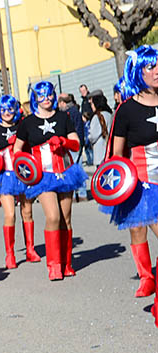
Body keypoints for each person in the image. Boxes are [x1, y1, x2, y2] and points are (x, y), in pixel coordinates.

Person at [99, 46, 158, 325]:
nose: (157, 71)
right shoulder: (126, 110)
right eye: (150, 67)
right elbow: (115, 156)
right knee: (137, 230)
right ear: (138, 71)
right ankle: (147, 278)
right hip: (144, 186)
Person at [13, 81, 86, 280]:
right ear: (35, 98)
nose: (47, 99)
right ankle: (54, 264)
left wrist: (63, 141)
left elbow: (76, 142)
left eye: (50, 95)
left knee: (65, 218)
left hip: (65, 171)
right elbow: (17, 150)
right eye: (42, 96)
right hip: (42, 175)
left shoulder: (63, 117)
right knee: (53, 216)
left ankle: (66, 262)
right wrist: (25, 166)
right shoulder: (27, 123)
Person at [0, 95, 41, 269]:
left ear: (15, 110)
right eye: (4, 109)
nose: (7, 112)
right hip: (3, 176)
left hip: (23, 173)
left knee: (27, 212)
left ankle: (30, 249)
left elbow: (32, 145)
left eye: (10, 109)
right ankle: (10, 254)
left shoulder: (22, 126)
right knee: (9, 215)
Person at [87, 92, 112, 165]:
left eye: (92, 104)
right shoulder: (109, 114)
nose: (91, 106)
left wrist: (89, 137)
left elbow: (93, 135)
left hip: (100, 150)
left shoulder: (96, 117)